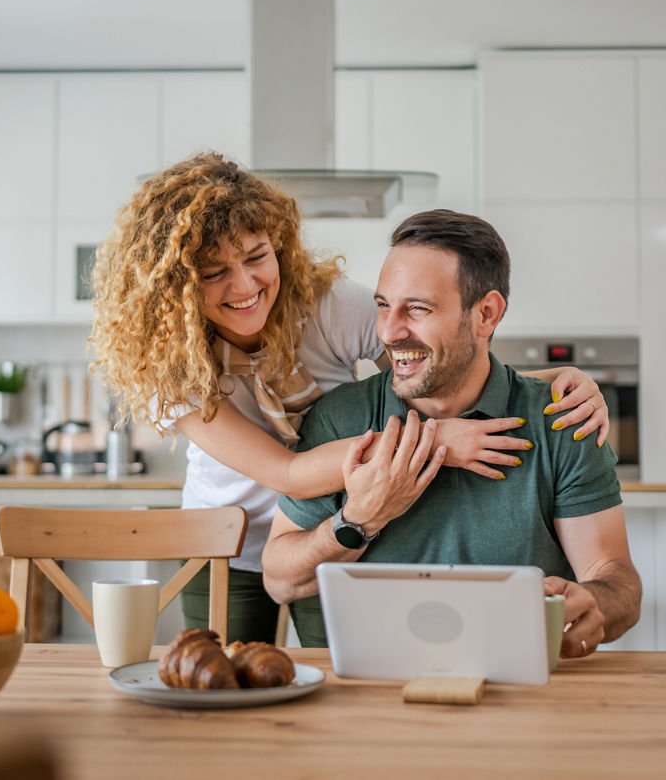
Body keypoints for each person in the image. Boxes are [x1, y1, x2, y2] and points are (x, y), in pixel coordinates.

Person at [88, 154, 614, 644]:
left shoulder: (328, 306)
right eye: (213, 273)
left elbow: (431, 369)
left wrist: (556, 380)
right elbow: (288, 473)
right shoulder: (166, 365)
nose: (245, 284)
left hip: (336, 524)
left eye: (256, 257)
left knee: (342, 667)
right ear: (175, 286)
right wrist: (431, 443)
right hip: (225, 538)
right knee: (220, 686)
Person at [262, 209, 642, 658]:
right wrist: (358, 521)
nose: (389, 331)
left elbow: (615, 576)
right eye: (383, 306)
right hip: (375, 694)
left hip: (523, 693)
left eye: (417, 309)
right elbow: (280, 581)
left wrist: (594, 601)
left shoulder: (562, 419)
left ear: (486, 314)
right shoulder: (340, 419)